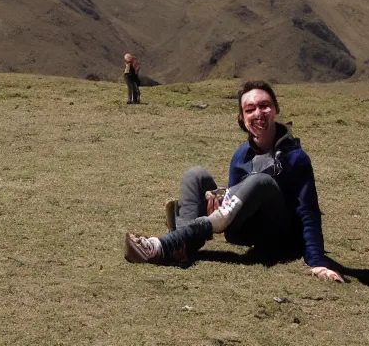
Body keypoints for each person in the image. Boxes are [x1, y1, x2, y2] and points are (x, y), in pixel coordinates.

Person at [123, 80, 343, 282]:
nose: (258, 113)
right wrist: (217, 199)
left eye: (264, 106)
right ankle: (184, 246)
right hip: (242, 231)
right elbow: (236, 194)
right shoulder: (241, 155)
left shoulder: (296, 158)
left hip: (279, 236)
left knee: (260, 181)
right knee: (196, 175)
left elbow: (309, 211)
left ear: (276, 109)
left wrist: (317, 262)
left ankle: (163, 244)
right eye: (250, 109)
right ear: (242, 118)